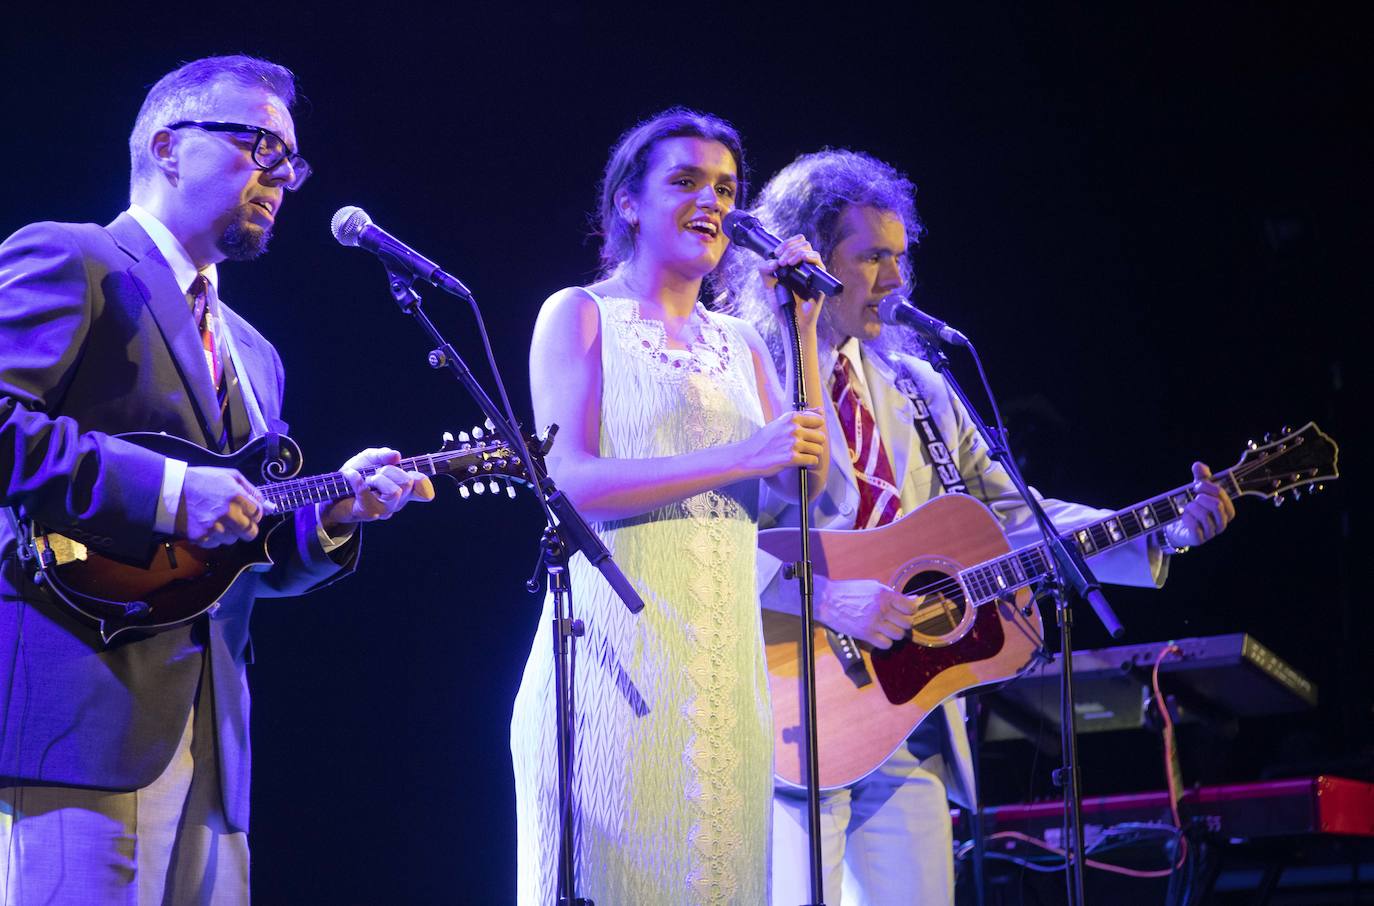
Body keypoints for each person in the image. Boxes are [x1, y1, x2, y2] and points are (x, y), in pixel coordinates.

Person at [729, 149, 1236, 904]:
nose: (896, 281)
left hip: (910, 720)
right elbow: (707, 538)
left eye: (901, 258)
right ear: (809, 254)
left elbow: (1014, 516)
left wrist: (1163, 529)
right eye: (872, 258)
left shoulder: (919, 387)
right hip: (788, 707)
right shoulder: (736, 366)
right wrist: (827, 602)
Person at [0, 55, 433, 903]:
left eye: (291, 160)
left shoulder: (255, 353)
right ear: (167, 145)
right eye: (258, 144)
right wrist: (167, 490)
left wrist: (335, 514)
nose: (280, 176)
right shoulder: (76, 257)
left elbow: (244, 557)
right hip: (79, 715)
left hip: (212, 741)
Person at [509, 108, 829, 904]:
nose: (712, 202)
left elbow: (799, 487)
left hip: (725, 670)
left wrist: (807, 332)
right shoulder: (579, 314)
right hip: (614, 666)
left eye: (725, 187)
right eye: (685, 182)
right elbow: (570, 483)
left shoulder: (747, 344)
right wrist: (740, 455)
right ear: (628, 203)